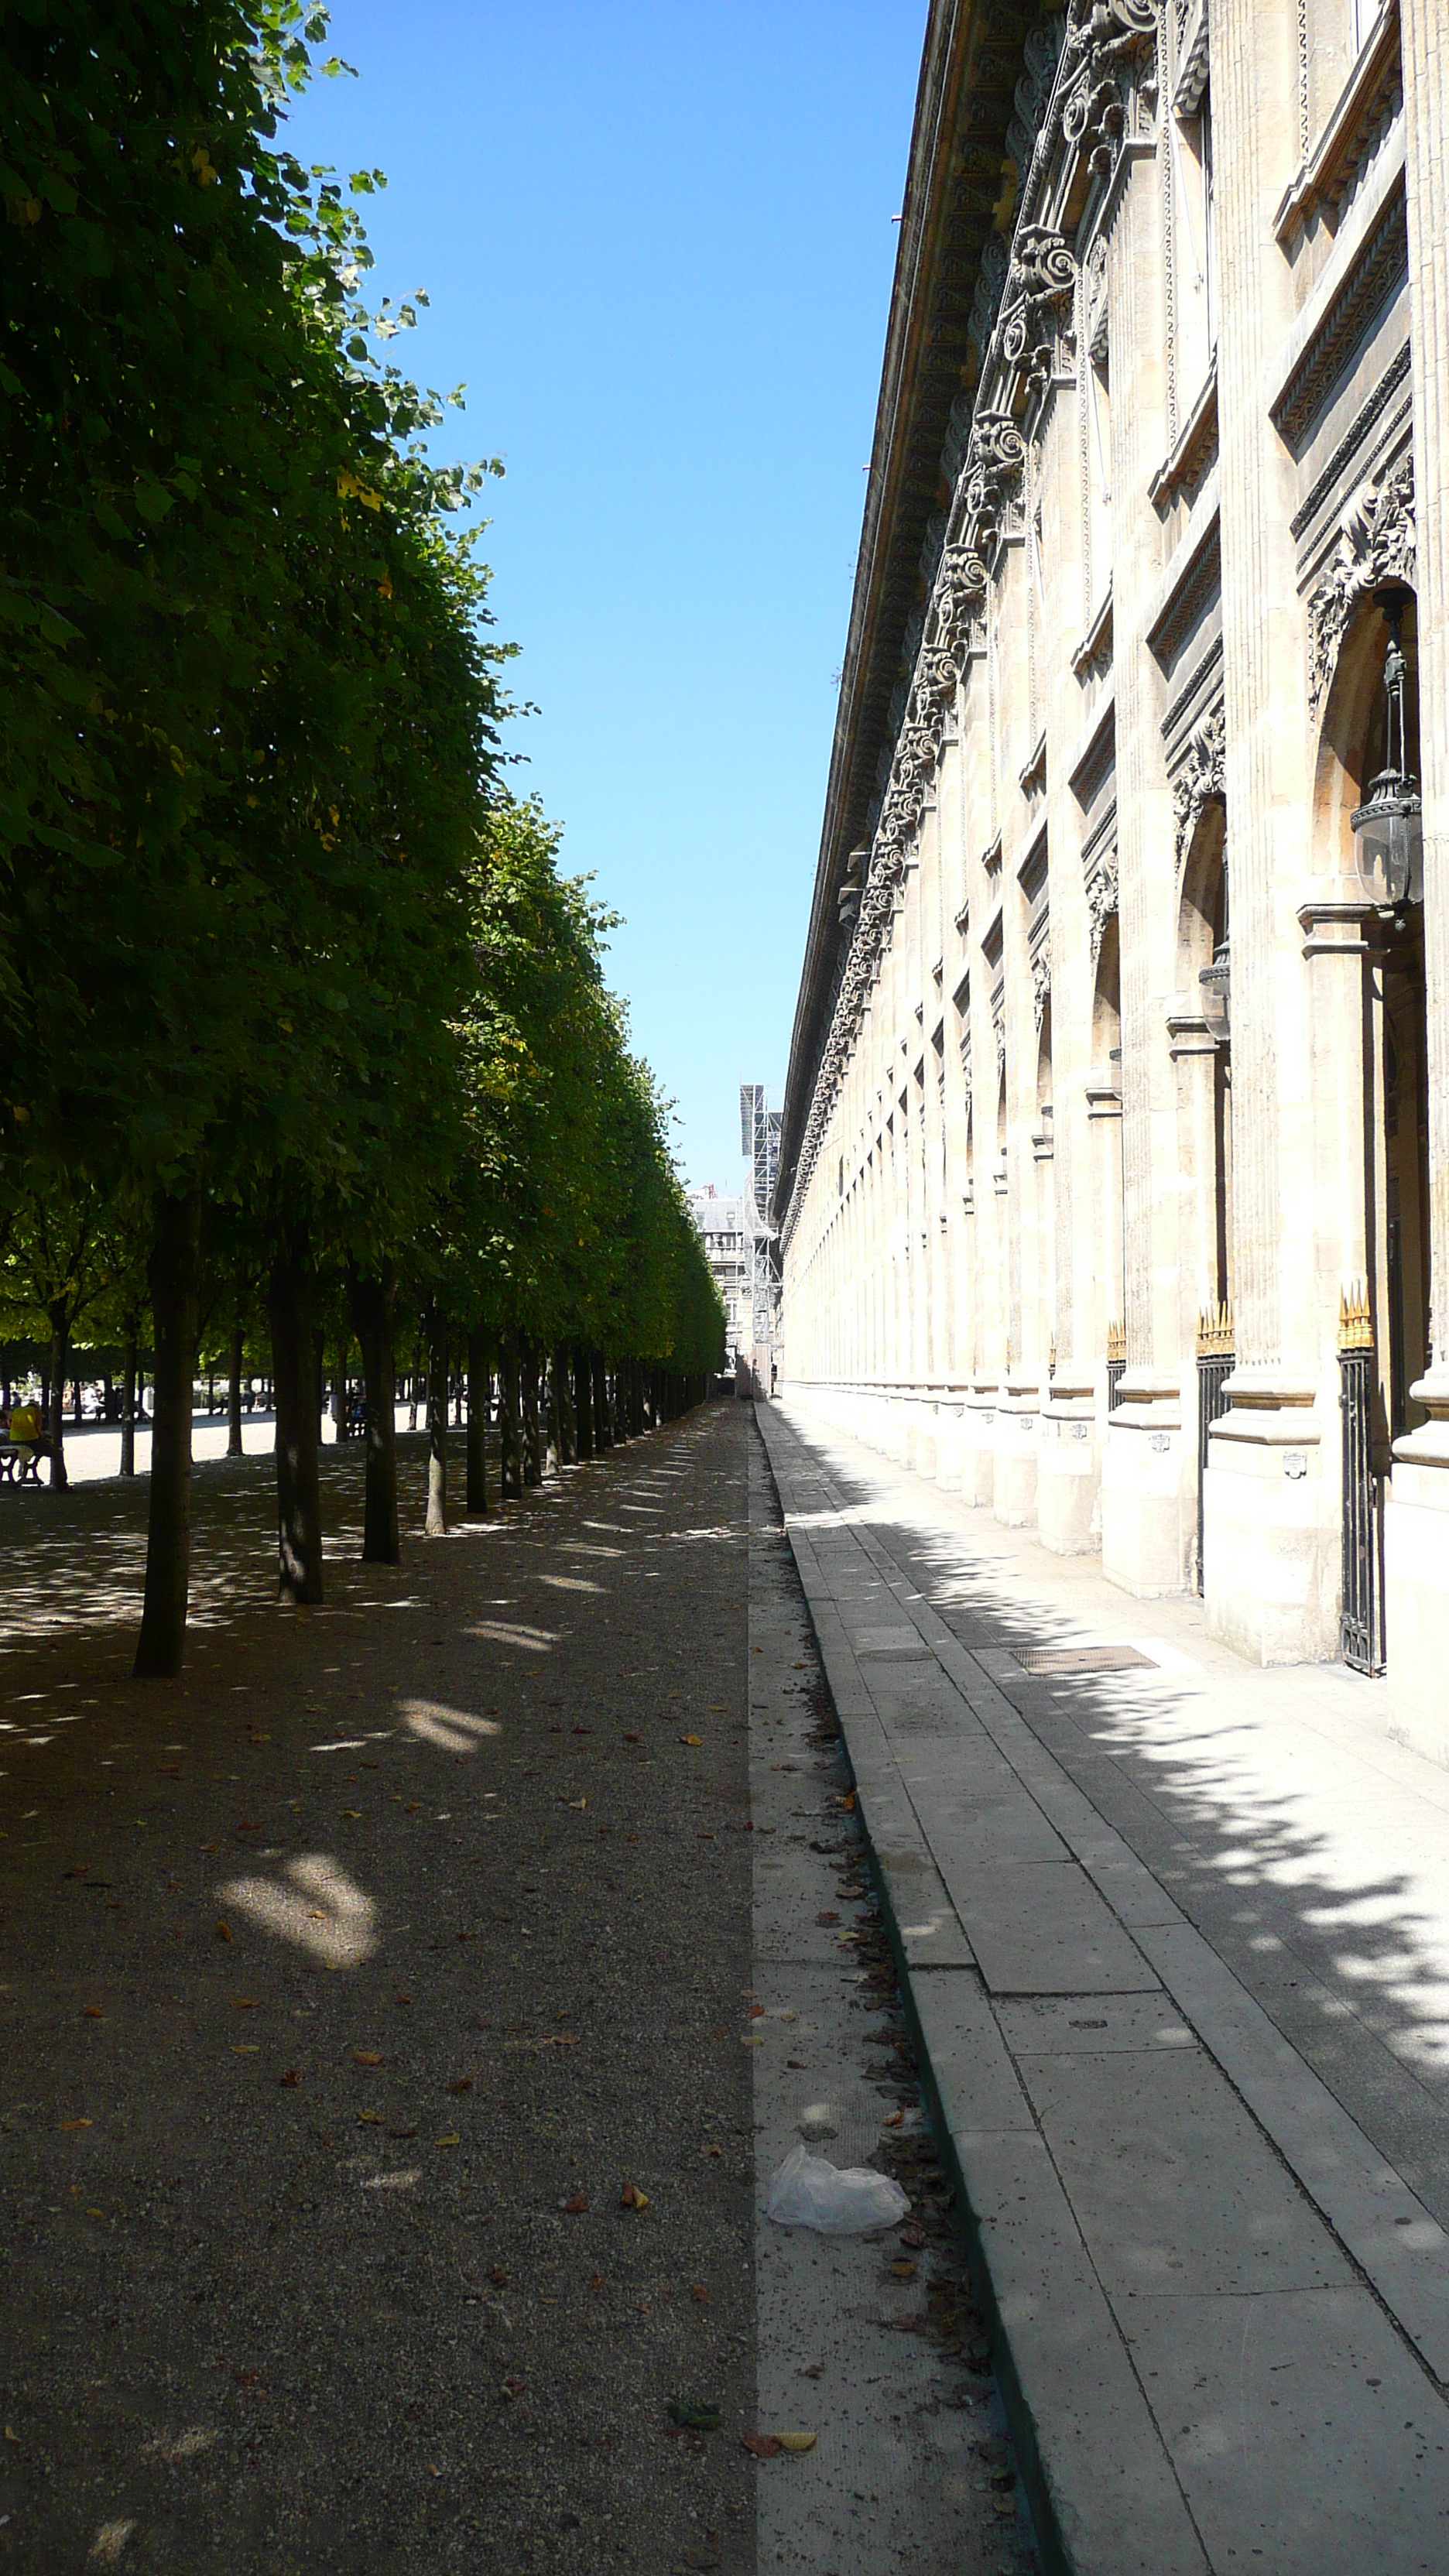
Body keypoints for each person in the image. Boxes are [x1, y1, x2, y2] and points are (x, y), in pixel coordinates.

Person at [9, 1395, 43, 1469]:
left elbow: (10, 1422)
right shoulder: (36, 1411)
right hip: (30, 1440)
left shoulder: (17, 1410)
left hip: (13, 1440)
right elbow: (38, 1427)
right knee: (53, 1451)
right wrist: (42, 1437)